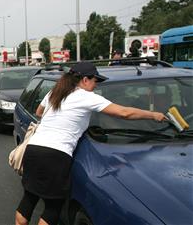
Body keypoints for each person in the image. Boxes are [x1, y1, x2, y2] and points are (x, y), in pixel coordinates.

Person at [15, 62, 166, 225]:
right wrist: (153, 115)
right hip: (56, 155)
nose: (95, 86)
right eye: (95, 81)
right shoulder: (87, 97)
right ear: (85, 80)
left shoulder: (56, 92)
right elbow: (124, 113)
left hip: (34, 149)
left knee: (29, 200)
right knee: (53, 207)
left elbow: (39, 112)